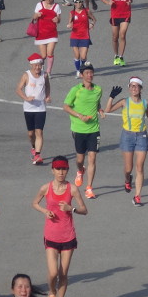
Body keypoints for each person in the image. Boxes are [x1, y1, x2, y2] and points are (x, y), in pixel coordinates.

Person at [31, 157, 87, 297]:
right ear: (52, 170)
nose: (61, 172)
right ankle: (51, 294)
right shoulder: (45, 188)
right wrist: (45, 211)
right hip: (51, 235)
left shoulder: (72, 189)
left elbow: (84, 210)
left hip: (68, 235)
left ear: (67, 170)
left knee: (63, 273)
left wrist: (72, 208)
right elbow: (34, 203)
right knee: (53, 272)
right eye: (57, 169)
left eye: (63, 169)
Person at [104, 77, 148, 205]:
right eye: (132, 86)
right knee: (129, 168)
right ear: (129, 88)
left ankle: (137, 196)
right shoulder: (124, 102)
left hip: (142, 136)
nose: (134, 88)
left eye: (136, 86)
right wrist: (111, 96)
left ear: (140, 89)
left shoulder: (145, 103)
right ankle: (127, 179)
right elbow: (108, 110)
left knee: (139, 167)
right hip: (127, 136)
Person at [63, 63, 103, 200]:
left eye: (91, 73)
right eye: (86, 73)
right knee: (80, 159)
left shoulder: (98, 89)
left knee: (92, 158)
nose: (89, 75)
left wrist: (100, 110)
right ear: (81, 75)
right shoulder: (75, 90)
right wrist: (80, 116)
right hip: (79, 129)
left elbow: (97, 103)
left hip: (94, 129)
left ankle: (89, 188)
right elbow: (66, 106)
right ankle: (80, 170)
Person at [16, 53, 51, 165]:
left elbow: (47, 86)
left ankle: (37, 155)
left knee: (39, 132)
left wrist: (47, 96)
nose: (38, 67)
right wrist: (26, 98)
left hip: (41, 109)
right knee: (31, 134)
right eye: (35, 65)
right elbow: (18, 89)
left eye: (39, 65)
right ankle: (33, 146)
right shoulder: (26, 75)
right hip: (28, 108)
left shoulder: (44, 75)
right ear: (31, 65)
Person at [100, 0, 133, 67]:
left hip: (126, 13)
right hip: (115, 14)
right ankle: (116, 55)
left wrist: (130, 0)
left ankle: (121, 56)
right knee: (115, 37)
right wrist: (108, 2)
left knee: (122, 35)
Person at [31, 0, 61, 75]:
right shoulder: (39, 5)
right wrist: (37, 15)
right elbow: (34, 17)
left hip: (52, 33)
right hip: (41, 33)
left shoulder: (56, 6)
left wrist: (57, 19)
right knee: (43, 56)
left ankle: (48, 72)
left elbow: (59, 19)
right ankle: (41, 67)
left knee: (50, 53)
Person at [68, 0, 95, 77]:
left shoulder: (86, 11)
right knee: (77, 55)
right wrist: (70, 25)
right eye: (76, 2)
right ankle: (78, 71)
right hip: (75, 36)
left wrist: (92, 23)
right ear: (74, 3)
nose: (78, 3)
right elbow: (70, 23)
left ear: (82, 2)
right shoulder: (72, 13)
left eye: (80, 2)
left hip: (85, 36)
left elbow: (94, 19)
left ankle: (82, 70)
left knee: (83, 57)